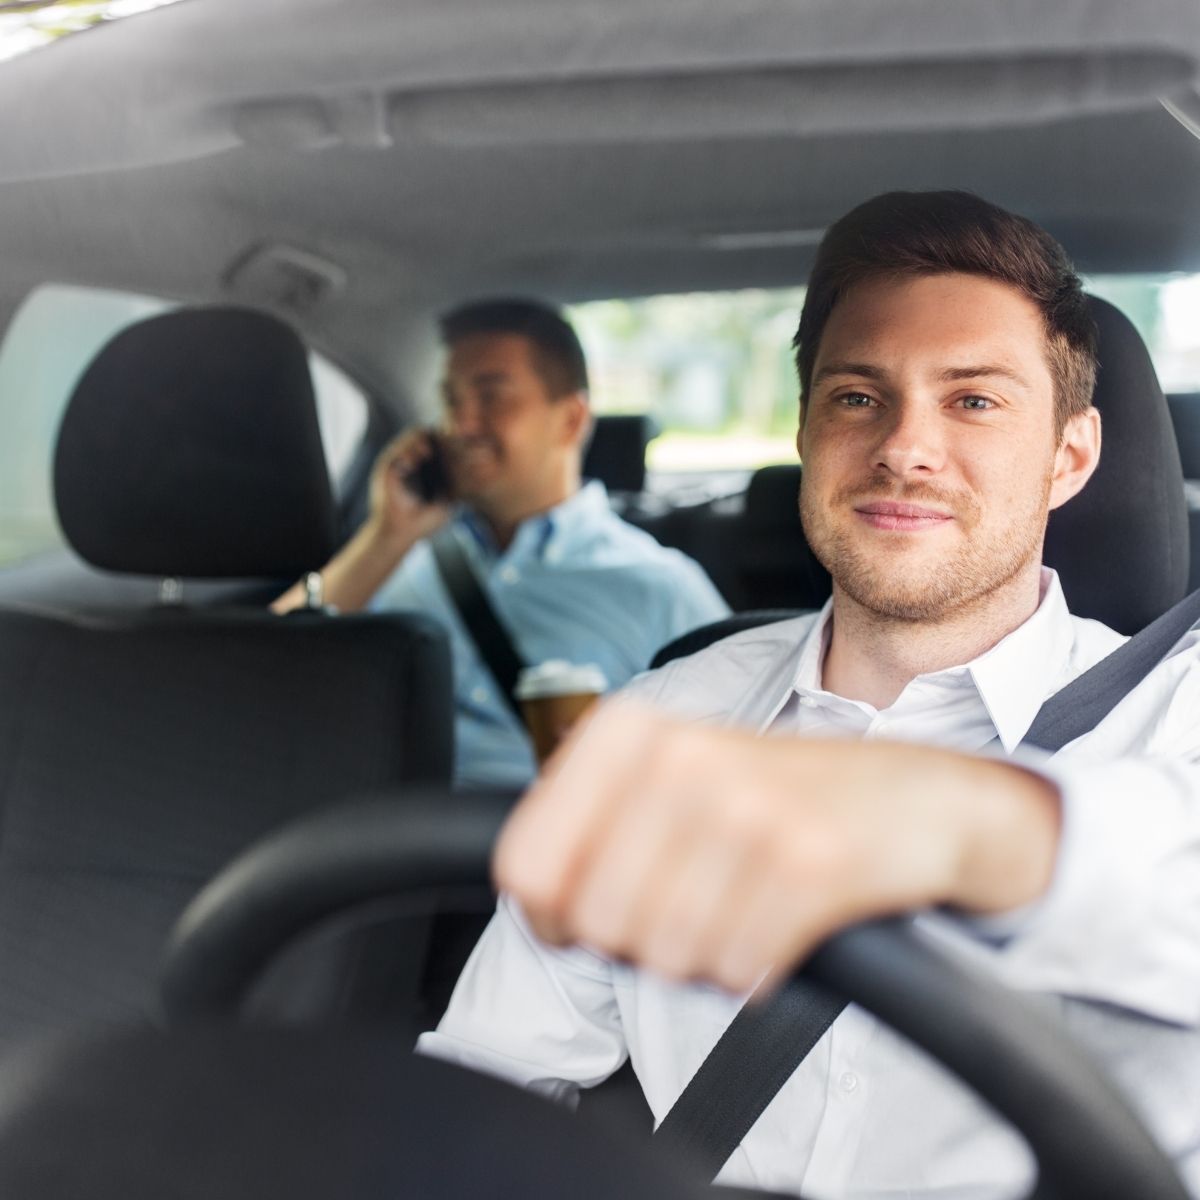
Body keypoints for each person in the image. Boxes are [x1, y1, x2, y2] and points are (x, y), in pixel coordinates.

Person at [419, 193, 1200, 1196]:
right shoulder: (663, 721)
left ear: (1070, 456)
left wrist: (985, 832)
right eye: (858, 397)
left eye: (973, 401)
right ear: (804, 431)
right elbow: (482, 1087)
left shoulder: (1175, 718)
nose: (904, 448)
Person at [275, 298, 729, 789]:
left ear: (571, 420)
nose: (460, 425)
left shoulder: (662, 587)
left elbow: (738, 767)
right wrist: (386, 536)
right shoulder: (399, 558)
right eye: (451, 401)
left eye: (491, 397)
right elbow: (259, 672)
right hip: (382, 826)